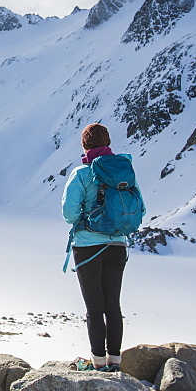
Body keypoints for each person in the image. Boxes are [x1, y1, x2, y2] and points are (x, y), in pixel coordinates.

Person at [61, 122, 136, 372]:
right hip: (117, 245)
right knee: (113, 305)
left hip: (88, 247)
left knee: (94, 308)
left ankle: (98, 363)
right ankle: (115, 360)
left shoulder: (81, 173)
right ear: (108, 143)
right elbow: (138, 206)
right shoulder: (123, 170)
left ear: (84, 145)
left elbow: (69, 214)